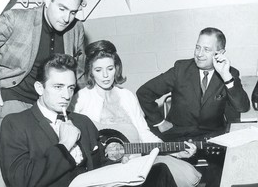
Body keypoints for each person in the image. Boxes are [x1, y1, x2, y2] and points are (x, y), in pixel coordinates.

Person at [0, 53, 178, 187]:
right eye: (58, 87)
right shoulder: (16, 124)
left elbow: (99, 160)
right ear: (40, 88)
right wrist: (64, 146)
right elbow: (19, 181)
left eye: (70, 88)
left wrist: (116, 161)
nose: (66, 95)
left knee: (160, 174)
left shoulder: (81, 121)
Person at [0, 0, 86, 150]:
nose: (66, 18)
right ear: (48, 1)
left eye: (73, 12)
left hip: (47, 106)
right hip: (12, 98)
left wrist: (71, 94)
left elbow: (79, 66)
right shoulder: (16, 19)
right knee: (17, 167)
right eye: (62, 9)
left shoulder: (76, 29)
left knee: (48, 164)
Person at [69, 40, 202, 187]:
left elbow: (144, 134)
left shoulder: (127, 96)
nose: (106, 75)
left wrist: (174, 151)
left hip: (136, 161)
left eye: (110, 68)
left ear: (117, 68)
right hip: (102, 168)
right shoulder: (81, 98)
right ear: (90, 72)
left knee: (177, 173)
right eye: (98, 70)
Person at [136, 27, 250, 187]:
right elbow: (144, 92)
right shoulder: (181, 69)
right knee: (158, 173)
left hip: (211, 139)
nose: (199, 54)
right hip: (176, 135)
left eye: (207, 49)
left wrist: (226, 77)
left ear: (220, 52)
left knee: (226, 175)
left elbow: (242, 107)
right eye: (198, 47)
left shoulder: (229, 73)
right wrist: (159, 122)